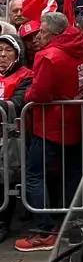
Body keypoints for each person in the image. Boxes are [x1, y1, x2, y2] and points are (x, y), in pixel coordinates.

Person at [16, 13, 83, 252]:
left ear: (54, 33)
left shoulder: (49, 57)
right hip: (74, 122)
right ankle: (74, 224)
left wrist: (27, 96)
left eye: (42, 32)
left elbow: (38, 94)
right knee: (71, 175)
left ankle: (44, 231)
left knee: (34, 175)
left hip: (50, 125)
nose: (39, 36)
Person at [0, 34, 31, 240]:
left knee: (5, 179)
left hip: (11, 136)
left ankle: (2, 222)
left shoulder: (26, 75)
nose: (2, 55)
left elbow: (19, 102)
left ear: (18, 53)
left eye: (7, 50)